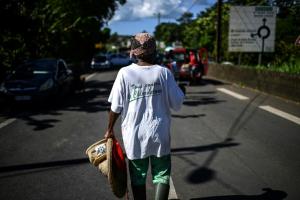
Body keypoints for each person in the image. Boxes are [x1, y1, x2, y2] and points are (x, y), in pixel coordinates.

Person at [104, 32, 184, 200]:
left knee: (137, 176)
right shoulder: (164, 73)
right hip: (159, 133)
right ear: (154, 50)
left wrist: (109, 129)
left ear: (133, 52)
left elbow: (116, 107)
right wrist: (181, 90)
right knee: (161, 174)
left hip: (134, 136)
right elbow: (177, 104)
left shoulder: (124, 73)